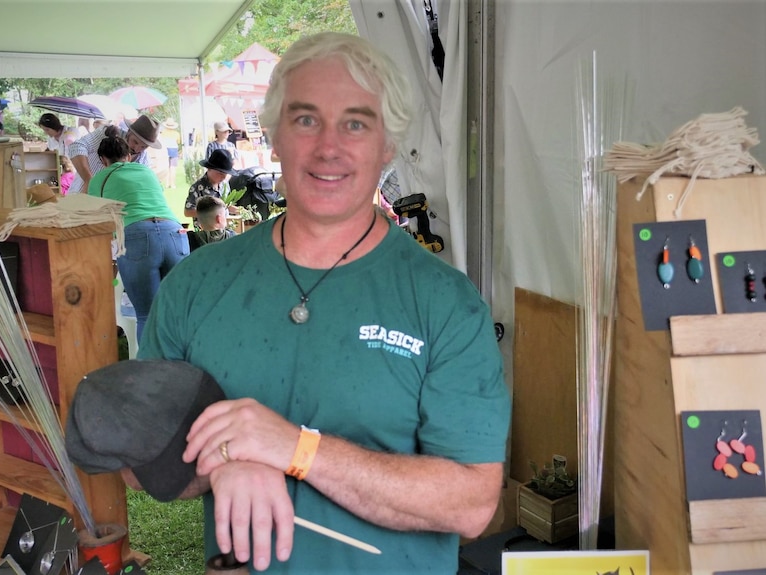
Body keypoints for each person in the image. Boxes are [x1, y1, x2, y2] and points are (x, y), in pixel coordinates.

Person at [137, 32, 510, 574]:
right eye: (306, 119)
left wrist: (295, 449)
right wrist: (223, 461)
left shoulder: (444, 304)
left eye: (356, 123)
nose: (328, 146)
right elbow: (138, 452)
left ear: (388, 146)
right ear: (275, 136)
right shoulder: (197, 284)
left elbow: (472, 502)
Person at [89, 125, 188, 340]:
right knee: (179, 313)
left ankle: (151, 370)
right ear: (128, 155)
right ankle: (185, 369)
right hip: (176, 233)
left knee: (146, 315)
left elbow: (99, 223)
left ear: (102, 160)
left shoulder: (99, 179)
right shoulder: (146, 171)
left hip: (137, 238)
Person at [67, 115, 161, 195]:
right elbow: (76, 147)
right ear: (129, 132)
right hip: (80, 194)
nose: (136, 149)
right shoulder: (106, 133)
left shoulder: (143, 162)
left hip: (108, 209)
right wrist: (89, 180)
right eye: (135, 142)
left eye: (143, 147)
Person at [183, 149, 238, 219]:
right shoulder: (197, 188)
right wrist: (211, 213)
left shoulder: (224, 185)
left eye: (225, 174)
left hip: (225, 226)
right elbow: (188, 212)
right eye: (220, 174)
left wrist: (238, 210)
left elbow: (225, 206)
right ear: (209, 168)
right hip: (205, 228)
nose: (223, 178)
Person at [161, 118, 182, 188]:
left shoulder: (163, 133)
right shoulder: (176, 134)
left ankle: (167, 184)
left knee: (166, 167)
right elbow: (178, 142)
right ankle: (172, 184)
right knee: (173, 168)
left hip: (165, 150)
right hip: (174, 150)